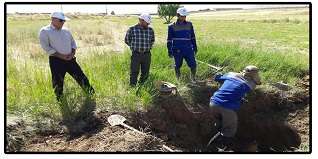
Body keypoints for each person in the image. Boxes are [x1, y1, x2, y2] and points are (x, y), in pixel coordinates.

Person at [39, 12, 95, 101]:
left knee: (81, 77)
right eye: (61, 20)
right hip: (56, 61)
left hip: (70, 59)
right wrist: (60, 56)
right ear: (53, 19)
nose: (63, 22)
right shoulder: (45, 31)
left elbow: (73, 43)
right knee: (58, 82)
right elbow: (46, 47)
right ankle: (60, 101)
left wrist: (72, 53)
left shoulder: (66, 30)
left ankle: (91, 94)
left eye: (64, 21)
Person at [209, 65, 262, 148]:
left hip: (213, 103)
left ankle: (211, 146)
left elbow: (217, 78)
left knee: (220, 125)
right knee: (230, 130)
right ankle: (223, 147)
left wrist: (220, 73)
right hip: (226, 107)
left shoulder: (231, 74)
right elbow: (258, 82)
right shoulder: (250, 84)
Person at [167, 7, 198, 82]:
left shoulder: (189, 25)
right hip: (177, 50)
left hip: (188, 49)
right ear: (177, 15)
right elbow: (169, 40)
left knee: (193, 65)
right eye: (182, 16)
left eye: (185, 16)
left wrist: (195, 47)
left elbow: (193, 37)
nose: (184, 17)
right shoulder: (171, 26)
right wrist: (169, 50)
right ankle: (179, 81)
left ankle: (193, 79)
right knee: (177, 66)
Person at [125, 13, 155, 86]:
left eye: (148, 23)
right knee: (134, 71)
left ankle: (142, 85)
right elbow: (127, 40)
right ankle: (132, 87)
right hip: (136, 54)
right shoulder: (132, 29)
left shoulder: (150, 30)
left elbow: (152, 40)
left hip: (147, 55)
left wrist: (147, 48)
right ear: (141, 20)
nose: (148, 24)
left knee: (145, 72)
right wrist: (134, 47)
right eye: (146, 22)